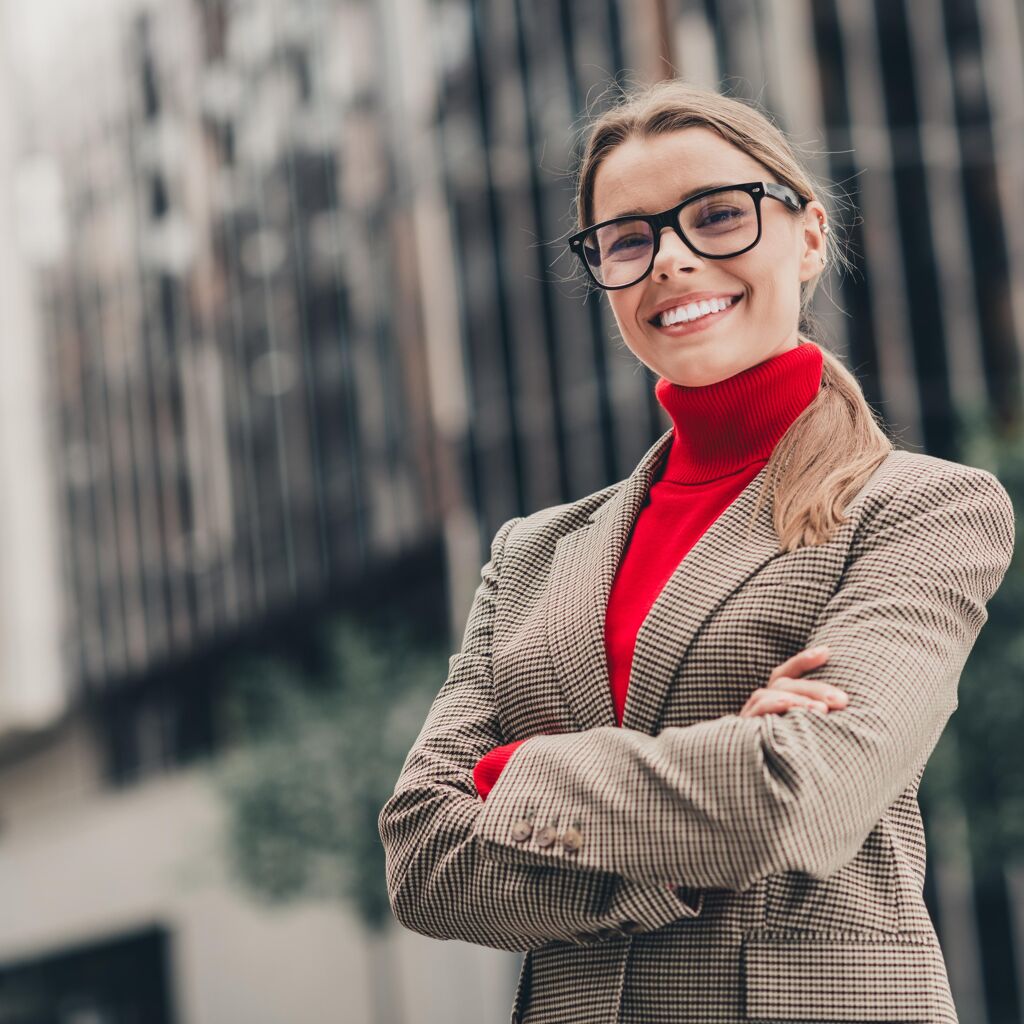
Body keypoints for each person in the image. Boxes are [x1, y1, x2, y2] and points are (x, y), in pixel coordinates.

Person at [378, 79, 1014, 1024]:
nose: (671, 260)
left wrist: (509, 773)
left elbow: (805, 791)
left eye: (718, 216)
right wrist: (714, 785)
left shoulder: (921, 507)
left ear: (806, 238)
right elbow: (423, 862)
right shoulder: (532, 555)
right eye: (628, 240)